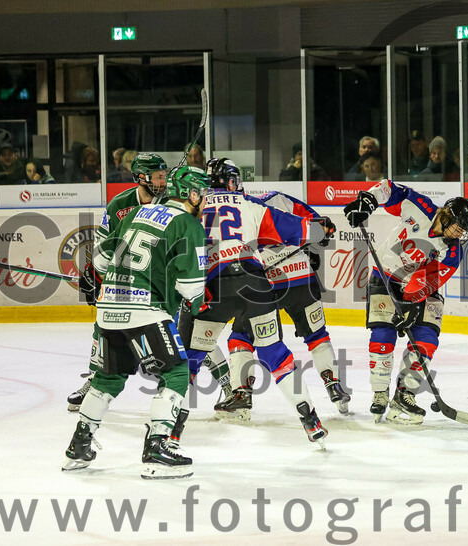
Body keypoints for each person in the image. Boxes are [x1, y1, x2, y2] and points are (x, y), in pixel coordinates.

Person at [62, 166, 210, 479]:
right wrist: (195, 301)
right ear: (193, 194)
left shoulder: (136, 213)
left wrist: (96, 279)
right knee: (177, 372)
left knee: (107, 378)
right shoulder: (188, 224)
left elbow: (101, 261)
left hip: (108, 309)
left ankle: (79, 445)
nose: (205, 199)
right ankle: (157, 447)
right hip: (146, 309)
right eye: (203, 193)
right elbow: (191, 288)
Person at [177, 162, 332, 446]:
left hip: (214, 290)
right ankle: (310, 419)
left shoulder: (191, 207)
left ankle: (173, 428)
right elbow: (300, 229)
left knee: (191, 361)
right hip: (255, 286)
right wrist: (322, 229)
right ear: (232, 183)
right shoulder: (250, 204)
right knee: (275, 353)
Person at [70, 153, 233, 412]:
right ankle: (93, 380)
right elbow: (106, 244)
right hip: (135, 279)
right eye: (157, 176)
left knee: (191, 334)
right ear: (141, 177)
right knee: (103, 329)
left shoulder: (170, 200)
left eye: (164, 175)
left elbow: (189, 238)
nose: (162, 180)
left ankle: (228, 384)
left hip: (168, 280)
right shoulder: (118, 205)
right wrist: (96, 274)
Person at [203, 158, 350, 421]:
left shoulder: (219, 211)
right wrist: (316, 244)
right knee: (317, 334)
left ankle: (241, 394)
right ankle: (333, 385)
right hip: (302, 281)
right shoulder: (279, 199)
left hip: (264, 286)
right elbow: (320, 224)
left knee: (241, 336)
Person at [342, 181, 468, 424]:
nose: (459, 234)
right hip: (385, 275)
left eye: (464, 231)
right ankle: (380, 393)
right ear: (446, 217)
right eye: (458, 228)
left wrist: (409, 306)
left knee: (427, 337)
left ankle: (405, 394)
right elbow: (390, 188)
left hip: (419, 289)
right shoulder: (421, 207)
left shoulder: (452, 253)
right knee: (383, 335)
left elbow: (426, 283)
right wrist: (368, 201)